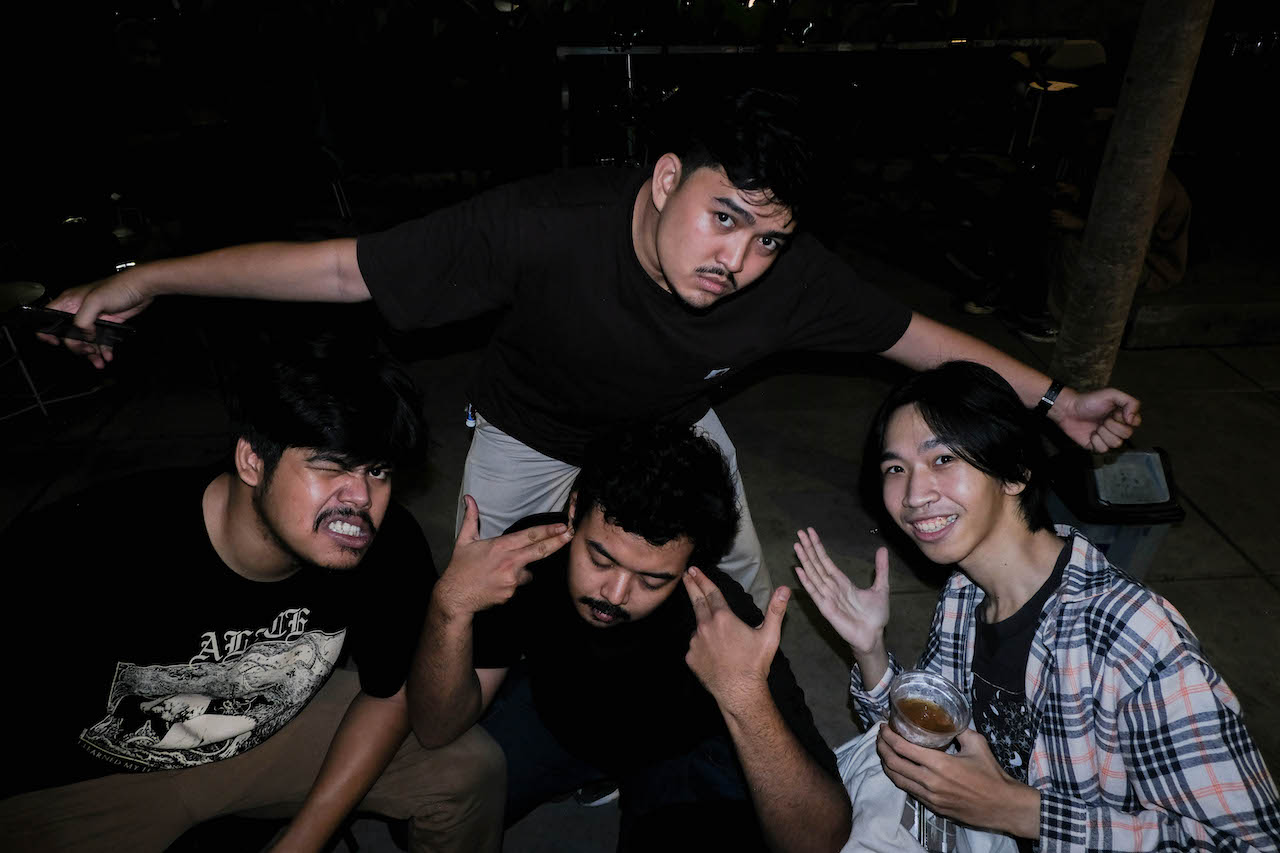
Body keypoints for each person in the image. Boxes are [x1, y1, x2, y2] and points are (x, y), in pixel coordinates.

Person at [44, 88, 1142, 610]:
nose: (739, 261)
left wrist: (1055, 399)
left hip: (671, 429)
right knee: (482, 591)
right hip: (529, 431)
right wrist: (150, 276)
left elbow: (913, 337)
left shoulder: (794, 275)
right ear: (664, 179)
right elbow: (340, 269)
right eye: (722, 218)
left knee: (736, 574)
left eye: (767, 239)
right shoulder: (539, 226)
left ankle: (739, 707)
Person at [0, 342, 506, 852]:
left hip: (263, 735)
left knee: (464, 768)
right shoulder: (85, 546)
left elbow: (390, 691)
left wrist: (302, 842)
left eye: (378, 471)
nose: (361, 498)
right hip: (90, 781)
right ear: (252, 461)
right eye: (331, 465)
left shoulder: (383, 541)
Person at [793, 361, 1280, 852]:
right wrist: (870, 649)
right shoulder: (964, 596)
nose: (914, 495)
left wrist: (1021, 812)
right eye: (896, 469)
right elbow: (932, 736)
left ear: (1015, 473)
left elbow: (1248, 844)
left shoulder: (1132, 635)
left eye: (943, 459)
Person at [408, 422, 852, 851]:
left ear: (692, 565)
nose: (614, 594)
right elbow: (436, 728)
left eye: (652, 579)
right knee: (434, 803)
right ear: (574, 509)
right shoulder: (530, 554)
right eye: (600, 559)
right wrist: (449, 605)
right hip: (561, 718)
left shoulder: (726, 619)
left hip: (679, 754)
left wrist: (744, 696)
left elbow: (820, 842)